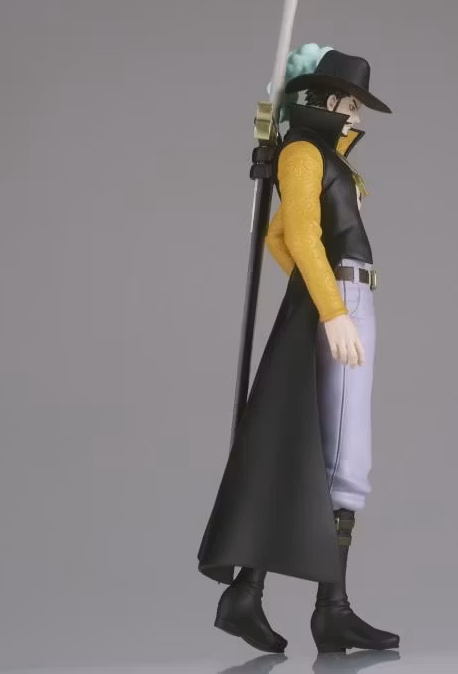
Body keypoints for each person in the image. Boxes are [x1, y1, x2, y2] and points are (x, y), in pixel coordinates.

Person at [197, 46, 399, 655]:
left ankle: (257, 595)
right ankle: (328, 609)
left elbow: (278, 235)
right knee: (346, 455)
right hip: (343, 300)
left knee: (321, 449)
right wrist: (332, 308)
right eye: (350, 104)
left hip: (345, 295)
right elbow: (301, 236)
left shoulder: (320, 156)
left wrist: (319, 296)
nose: (356, 117)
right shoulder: (305, 154)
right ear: (327, 101)